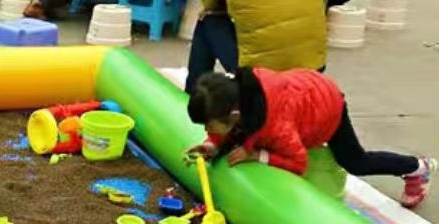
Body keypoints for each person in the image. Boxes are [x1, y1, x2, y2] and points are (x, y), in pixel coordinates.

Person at [186, 69, 435, 209]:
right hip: (302, 94)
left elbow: (298, 162)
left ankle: (416, 167)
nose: (208, 129)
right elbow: (229, 128)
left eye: (209, 126)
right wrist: (212, 144)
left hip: (326, 106)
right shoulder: (234, 96)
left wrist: (256, 155)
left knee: (355, 162)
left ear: (234, 114)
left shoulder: (277, 125)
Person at [185, 0, 350, 94]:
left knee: (209, 19)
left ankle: (193, 98)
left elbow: (213, 5)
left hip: (264, 76)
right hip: (313, 65)